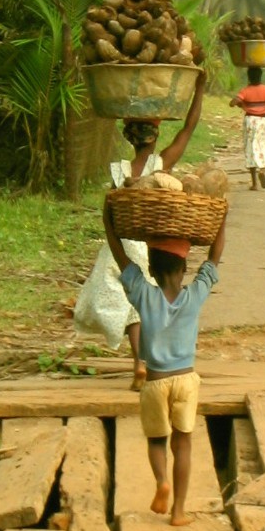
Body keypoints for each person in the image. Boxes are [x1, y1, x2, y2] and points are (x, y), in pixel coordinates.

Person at [74, 71, 207, 390]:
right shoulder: (161, 166)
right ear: (155, 137)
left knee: (125, 304)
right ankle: (142, 363)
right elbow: (189, 128)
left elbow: (111, 210)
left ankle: (139, 364)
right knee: (141, 307)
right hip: (148, 247)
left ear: (129, 138)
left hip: (119, 246)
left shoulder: (120, 170)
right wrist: (199, 87)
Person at [103, 197, 226, 526]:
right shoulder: (195, 294)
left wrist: (109, 223)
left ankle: (161, 482)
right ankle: (179, 512)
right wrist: (222, 217)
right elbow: (215, 257)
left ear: (152, 270)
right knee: (183, 444)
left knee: (158, 441)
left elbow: (120, 257)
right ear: (184, 268)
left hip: (155, 382)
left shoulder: (144, 293)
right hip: (186, 381)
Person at [229, 66, 265, 191]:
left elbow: (232, 103)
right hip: (262, 120)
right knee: (262, 144)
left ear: (249, 77)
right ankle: (262, 169)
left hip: (250, 120)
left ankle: (254, 184)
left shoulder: (245, 90)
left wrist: (242, 105)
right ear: (260, 76)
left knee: (250, 148)